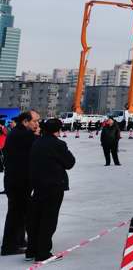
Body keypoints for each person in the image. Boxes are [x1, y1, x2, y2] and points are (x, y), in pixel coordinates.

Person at [27, 118, 75, 263]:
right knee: (49, 219)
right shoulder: (58, 144)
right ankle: (43, 253)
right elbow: (69, 163)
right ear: (57, 130)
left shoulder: (37, 142)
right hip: (54, 186)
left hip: (38, 185)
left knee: (36, 218)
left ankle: (32, 249)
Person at [2, 110, 40, 256]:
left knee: (21, 213)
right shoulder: (23, 135)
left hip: (17, 180)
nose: (37, 124)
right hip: (18, 181)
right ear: (25, 121)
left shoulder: (18, 132)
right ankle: (9, 246)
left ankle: (18, 240)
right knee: (16, 214)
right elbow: (39, 145)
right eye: (35, 121)